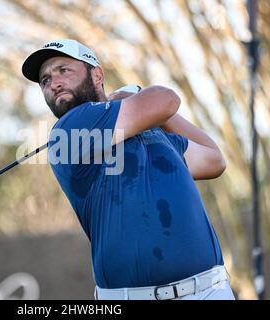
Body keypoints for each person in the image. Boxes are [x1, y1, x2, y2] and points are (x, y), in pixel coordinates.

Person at [21, 39, 235, 300]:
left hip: (210, 291)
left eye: (63, 70)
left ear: (96, 74)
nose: (53, 83)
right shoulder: (70, 128)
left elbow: (215, 160)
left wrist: (152, 116)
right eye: (45, 80)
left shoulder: (156, 135)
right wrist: (133, 97)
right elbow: (166, 99)